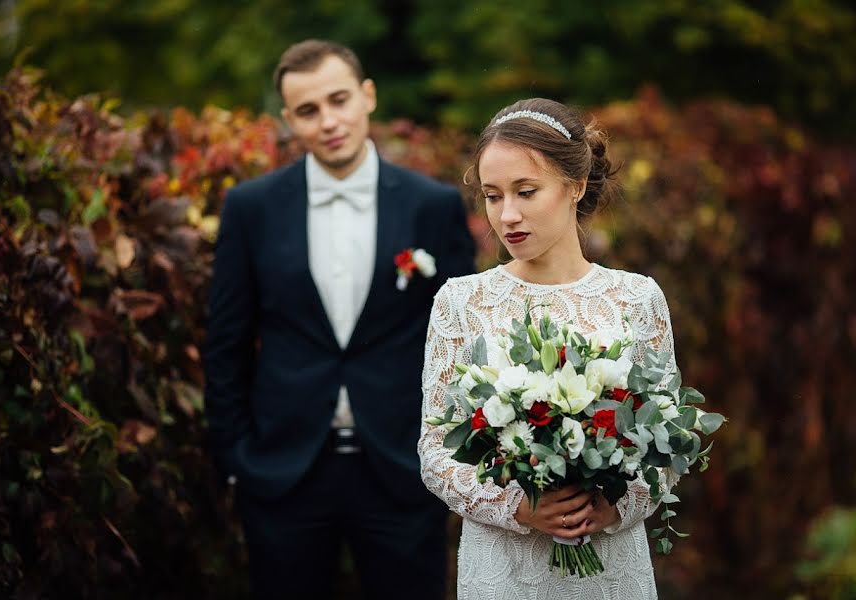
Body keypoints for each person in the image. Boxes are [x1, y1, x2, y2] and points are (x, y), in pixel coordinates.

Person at [204, 39, 476, 599]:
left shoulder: (434, 206)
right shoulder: (250, 207)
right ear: (289, 121)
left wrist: (448, 455)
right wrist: (239, 459)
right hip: (284, 474)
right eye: (308, 110)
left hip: (403, 470)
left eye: (339, 100)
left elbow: (461, 345)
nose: (328, 121)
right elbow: (226, 342)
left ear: (367, 96)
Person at [418, 98, 677, 599]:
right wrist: (517, 506)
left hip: (609, 561)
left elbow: (665, 443)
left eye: (526, 191)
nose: (507, 214)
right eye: (492, 196)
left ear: (576, 185)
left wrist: (616, 506)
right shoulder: (460, 302)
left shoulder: (637, 298)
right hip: (503, 565)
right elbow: (435, 450)